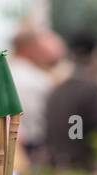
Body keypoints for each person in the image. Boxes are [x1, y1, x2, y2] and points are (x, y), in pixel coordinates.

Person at [45, 33, 97, 169]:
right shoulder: (91, 89)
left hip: (54, 164)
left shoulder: (58, 90)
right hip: (81, 166)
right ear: (94, 56)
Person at [9, 27, 64, 157]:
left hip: (7, 144)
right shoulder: (39, 79)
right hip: (33, 146)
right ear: (29, 48)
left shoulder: (0, 75)